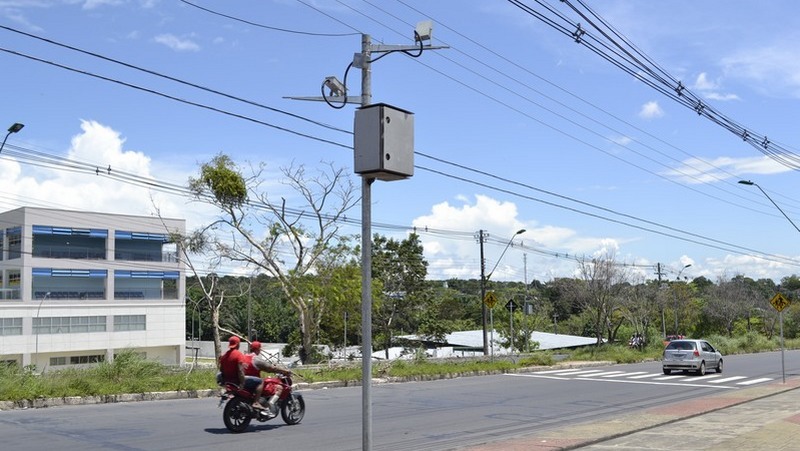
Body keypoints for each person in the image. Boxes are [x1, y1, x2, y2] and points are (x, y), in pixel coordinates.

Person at [242, 341, 293, 416]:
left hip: (243, 382)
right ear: (258, 349)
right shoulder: (256, 359)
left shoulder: (243, 357)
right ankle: (270, 406)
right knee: (279, 388)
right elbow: (270, 368)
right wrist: (285, 371)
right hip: (254, 383)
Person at [218, 336, 267, 410]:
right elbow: (240, 371)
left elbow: (221, 369)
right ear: (238, 344)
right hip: (237, 380)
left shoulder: (224, 356)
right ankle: (256, 402)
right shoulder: (239, 355)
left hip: (227, 381)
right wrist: (242, 383)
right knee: (260, 381)